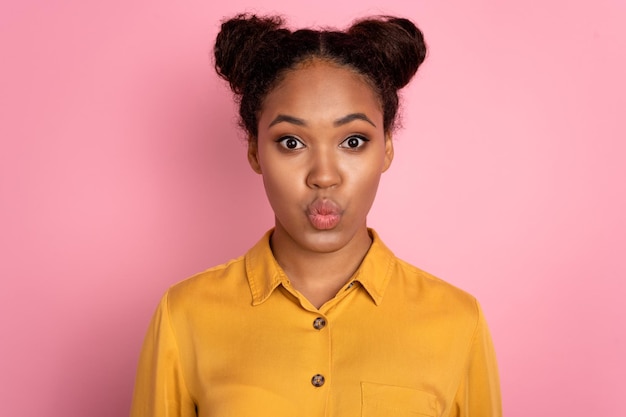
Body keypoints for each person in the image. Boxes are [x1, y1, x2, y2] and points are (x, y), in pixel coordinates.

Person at [130, 13, 502, 417]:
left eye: (353, 141)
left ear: (387, 149)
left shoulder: (456, 321)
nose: (324, 176)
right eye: (291, 142)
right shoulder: (185, 315)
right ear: (255, 151)